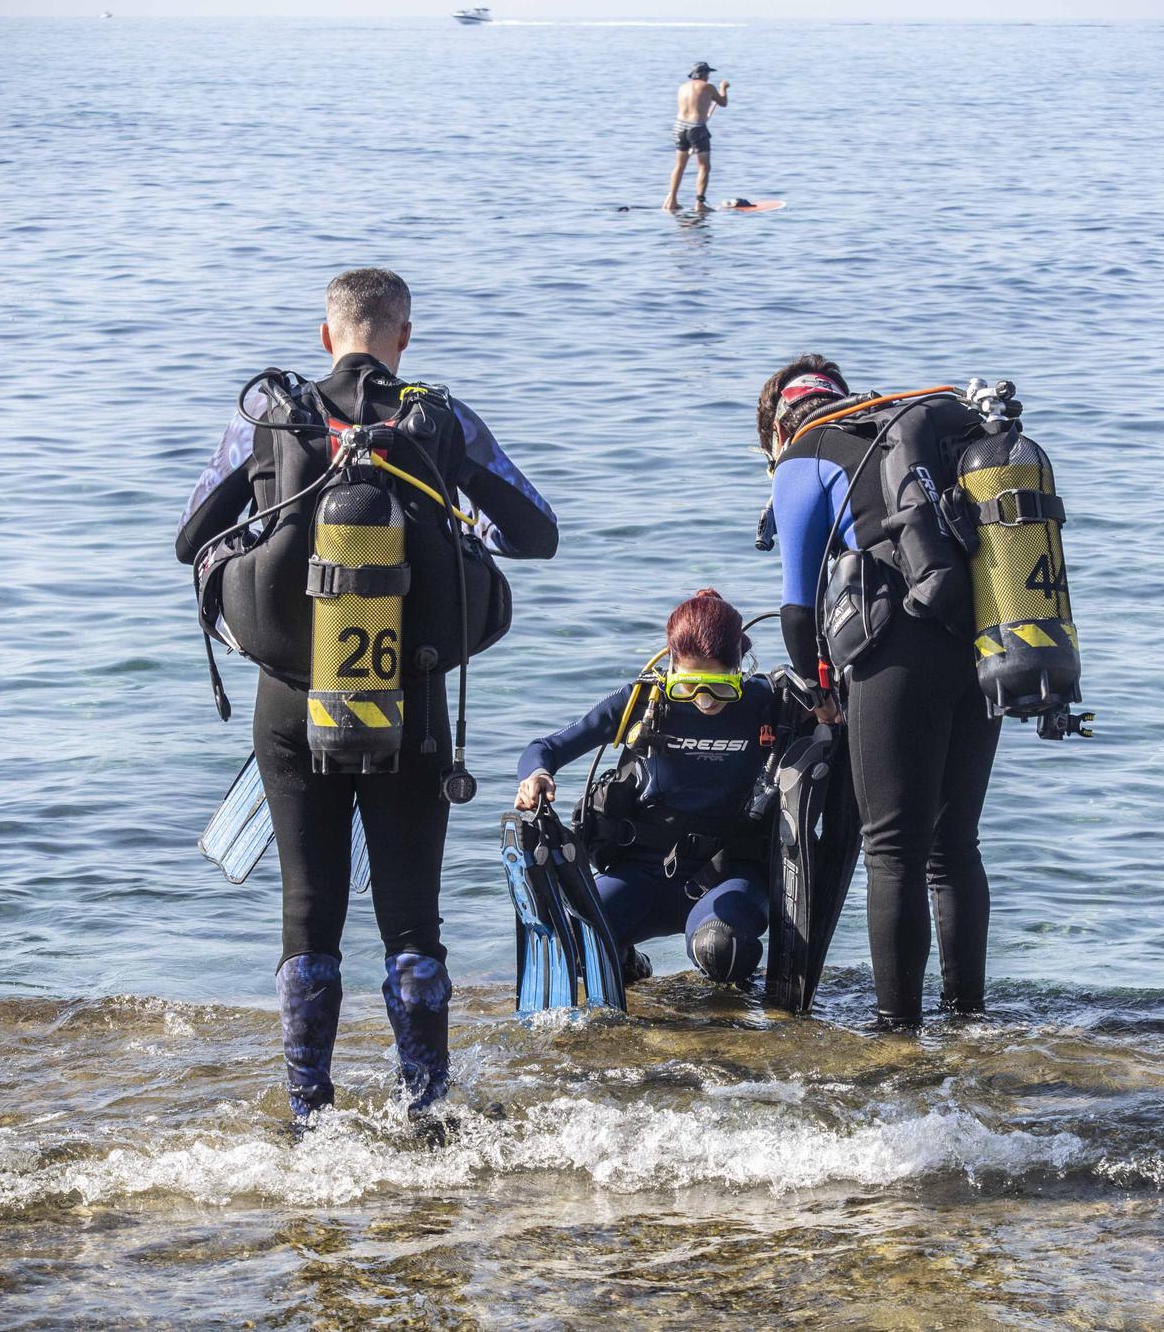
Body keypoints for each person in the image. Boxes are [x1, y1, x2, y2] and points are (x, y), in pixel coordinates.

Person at [176, 268, 558, 1122]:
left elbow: (190, 534)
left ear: (326, 336)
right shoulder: (440, 419)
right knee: (412, 920)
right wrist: (460, 517)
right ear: (403, 336)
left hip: (291, 703)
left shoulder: (272, 412)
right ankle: (425, 1108)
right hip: (409, 703)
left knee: (308, 916)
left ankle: (310, 1115)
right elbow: (536, 531)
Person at [757, 356, 1002, 1028]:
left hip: (903, 653)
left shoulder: (803, 456)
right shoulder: (900, 433)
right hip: (983, 634)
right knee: (954, 845)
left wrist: (817, 691)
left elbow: (797, 610)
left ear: (776, 431)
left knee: (891, 847)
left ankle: (898, 1036)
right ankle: (969, 1020)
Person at [513, 590, 777, 986]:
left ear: (741, 667)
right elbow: (545, 748)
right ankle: (626, 965)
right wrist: (536, 775)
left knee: (721, 947)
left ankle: (736, 1008)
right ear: (671, 666)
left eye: (721, 688)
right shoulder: (642, 701)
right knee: (576, 941)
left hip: (730, 873)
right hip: (643, 875)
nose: (705, 702)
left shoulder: (767, 704)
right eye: (689, 687)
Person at [663, 61, 730, 213]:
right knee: (704, 167)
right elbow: (723, 103)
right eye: (708, 74)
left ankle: (672, 200)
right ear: (704, 74)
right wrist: (723, 89)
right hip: (697, 129)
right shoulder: (708, 87)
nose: (708, 77)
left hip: (679, 127)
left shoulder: (682, 87)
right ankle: (699, 204)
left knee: (679, 165)